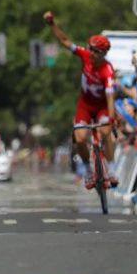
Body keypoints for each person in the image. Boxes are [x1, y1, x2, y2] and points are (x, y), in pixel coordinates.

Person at [43, 10, 118, 188]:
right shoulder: (84, 55)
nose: (91, 52)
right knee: (81, 138)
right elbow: (65, 41)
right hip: (84, 104)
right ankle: (88, 170)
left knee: (106, 132)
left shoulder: (108, 70)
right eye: (90, 48)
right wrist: (52, 24)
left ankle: (112, 169)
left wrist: (112, 119)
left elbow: (110, 97)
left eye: (95, 51)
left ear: (103, 54)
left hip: (101, 106)